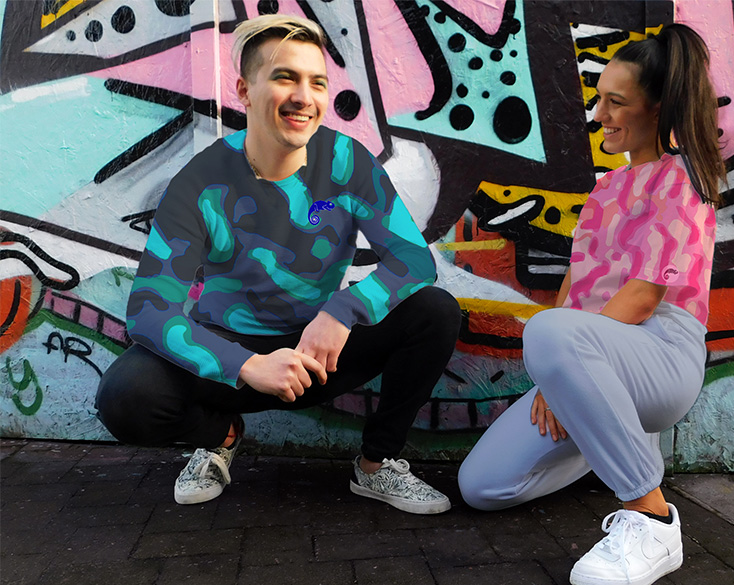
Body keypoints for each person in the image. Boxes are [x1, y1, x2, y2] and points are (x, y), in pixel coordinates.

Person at [95, 14, 461, 515]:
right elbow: (149, 311)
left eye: (317, 82)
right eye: (285, 77)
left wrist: (343, 310)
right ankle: (220, 436)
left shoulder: (347, 162)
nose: (303, 96)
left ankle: (377, 466)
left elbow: (414, 260)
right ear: (245, 90)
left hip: (320, 354)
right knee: (124, 396)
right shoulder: (200, 182)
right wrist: (245, 365)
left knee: (435, 310)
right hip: (234, 363)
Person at [458, 24, 726, 584]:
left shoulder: (683, 180)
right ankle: (607, 432)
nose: (598, 114)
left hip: (662, 354)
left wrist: (561, 353)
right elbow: (574, 288)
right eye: (598, 98)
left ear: (657, 108)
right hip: (589, 348)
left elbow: (644, 293)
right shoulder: (605, 190)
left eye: (616, 102)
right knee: (481, 487)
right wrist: (559, 377)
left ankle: (650, 517)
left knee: (552, 333)